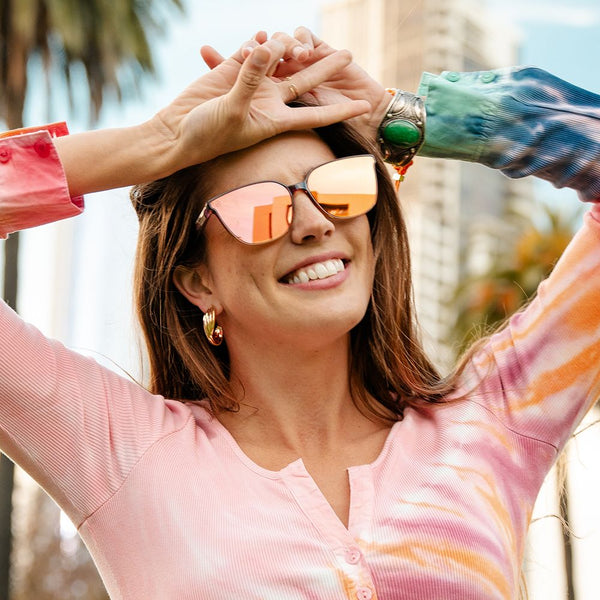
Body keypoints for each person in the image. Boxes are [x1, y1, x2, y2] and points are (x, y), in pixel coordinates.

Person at [1, 26, 599, 600]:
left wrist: (408, 119)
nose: (315, 224)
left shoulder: (490, 428)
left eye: (340, 187)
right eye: (262, 207)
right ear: (196, 281)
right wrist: (159, 142)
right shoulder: (121, 450)